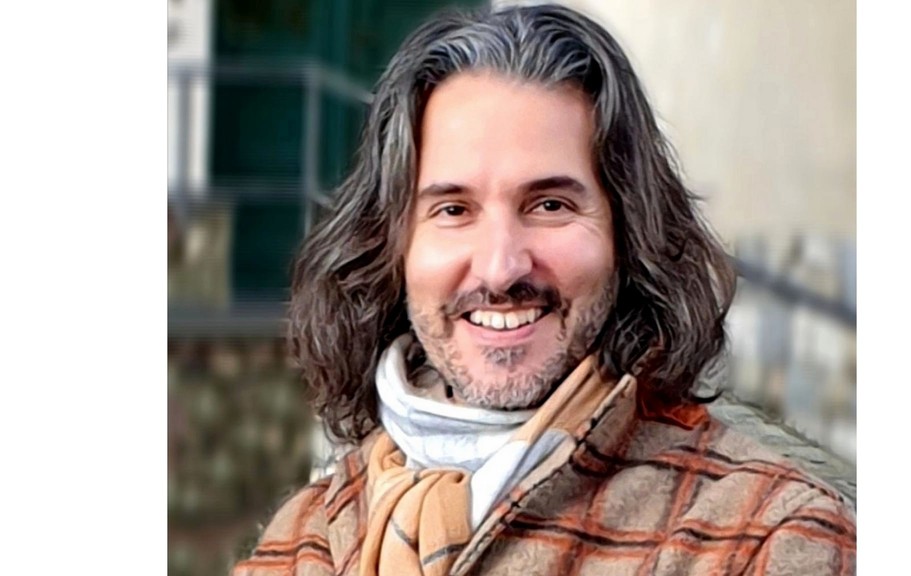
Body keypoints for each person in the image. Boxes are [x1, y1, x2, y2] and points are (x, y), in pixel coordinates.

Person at [232, 4, 855, 575]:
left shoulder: (766, 538)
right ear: (391, 243)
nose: (500, 269)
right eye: (453, 210)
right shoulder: (306, 536)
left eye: (550, 204)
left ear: (628, 229)